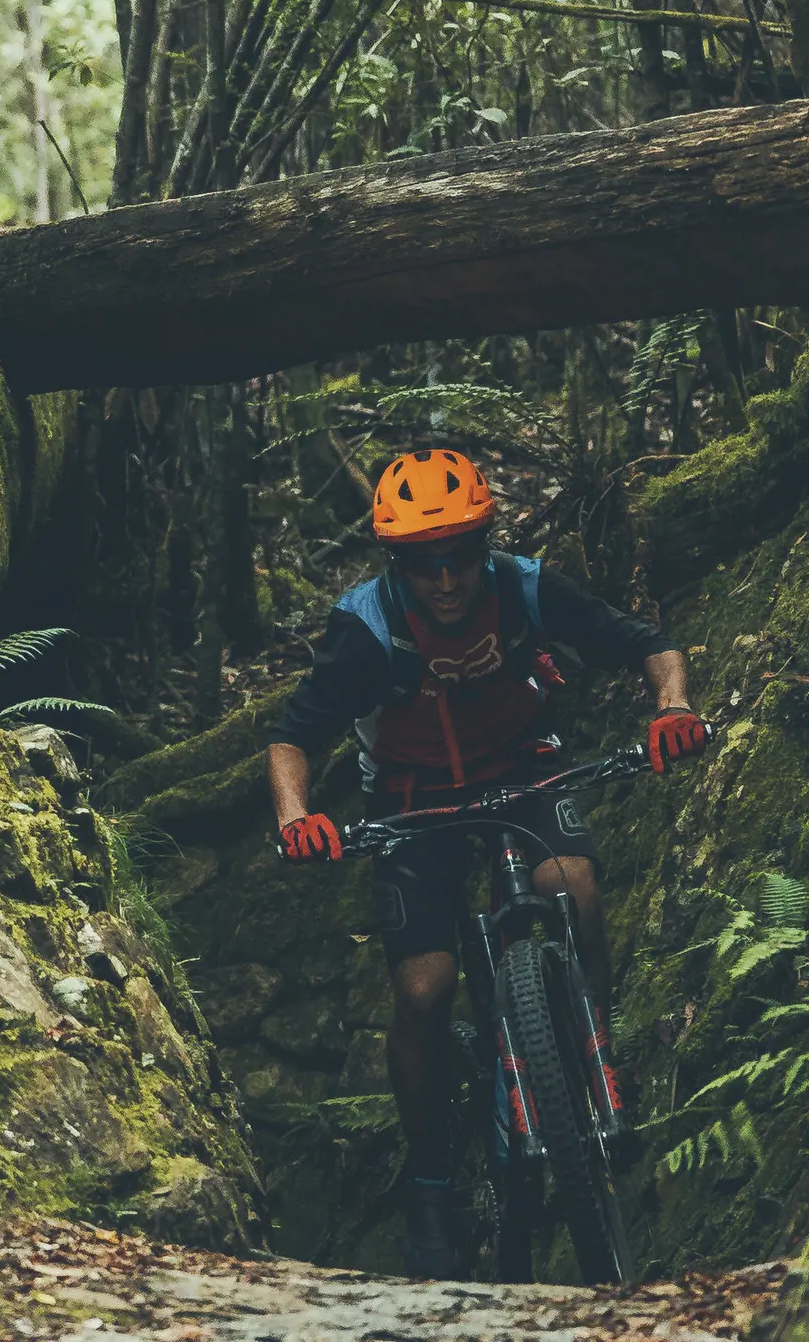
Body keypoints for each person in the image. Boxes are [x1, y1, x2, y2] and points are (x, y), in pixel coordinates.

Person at [262, 447, 708, 1280]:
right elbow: (292, 732)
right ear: (395, 561)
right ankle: (431, 1185)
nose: (445, 578)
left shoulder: (528, 587)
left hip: (524, 763)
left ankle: (594, 1049)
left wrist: (672, 706)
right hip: (408, 793)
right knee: (424, 991)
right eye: (423, 562)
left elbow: (650, 643)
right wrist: (298, 815)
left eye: (460, 554)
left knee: (571, 892)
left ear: (484, 543)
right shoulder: (365, 628)